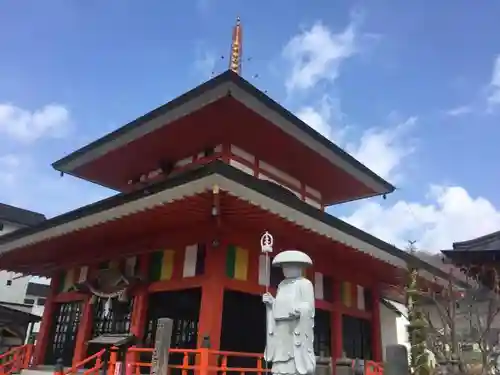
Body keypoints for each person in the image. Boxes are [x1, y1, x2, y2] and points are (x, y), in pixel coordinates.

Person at [262, 250, 316, 375]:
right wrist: (271, 303)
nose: (285, 269)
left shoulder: (305, 284)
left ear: (298, 267)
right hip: (280, 332)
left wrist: (300, 310)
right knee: (280, 364)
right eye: (284, 267)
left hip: (295, 330)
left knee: (293, 365)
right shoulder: (282, 285)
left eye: (289, 266)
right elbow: (279, 305)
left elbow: (309, 307)